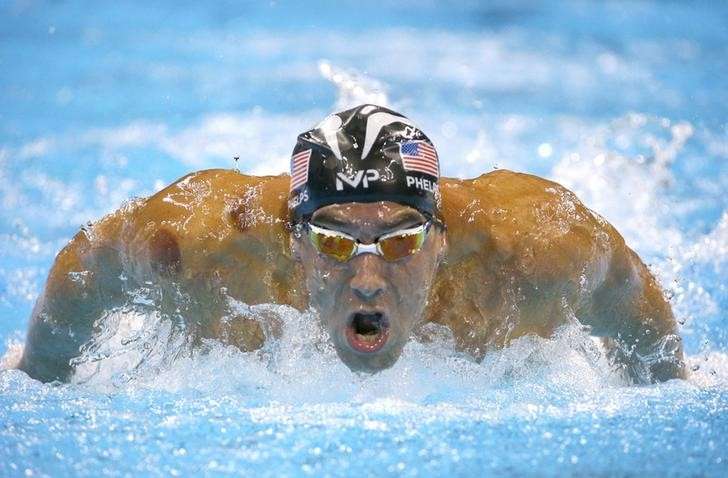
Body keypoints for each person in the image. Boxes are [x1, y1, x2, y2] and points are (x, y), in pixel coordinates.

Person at [17, 104, 686, 383]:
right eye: (335, 241)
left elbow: (625, 289)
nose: (367, 277)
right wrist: (38, 375)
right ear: (293, 239)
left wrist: (666, 384)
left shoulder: (535, 254)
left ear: (443, 240)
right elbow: (89, 264)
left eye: (401, 240)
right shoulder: (200, 250)